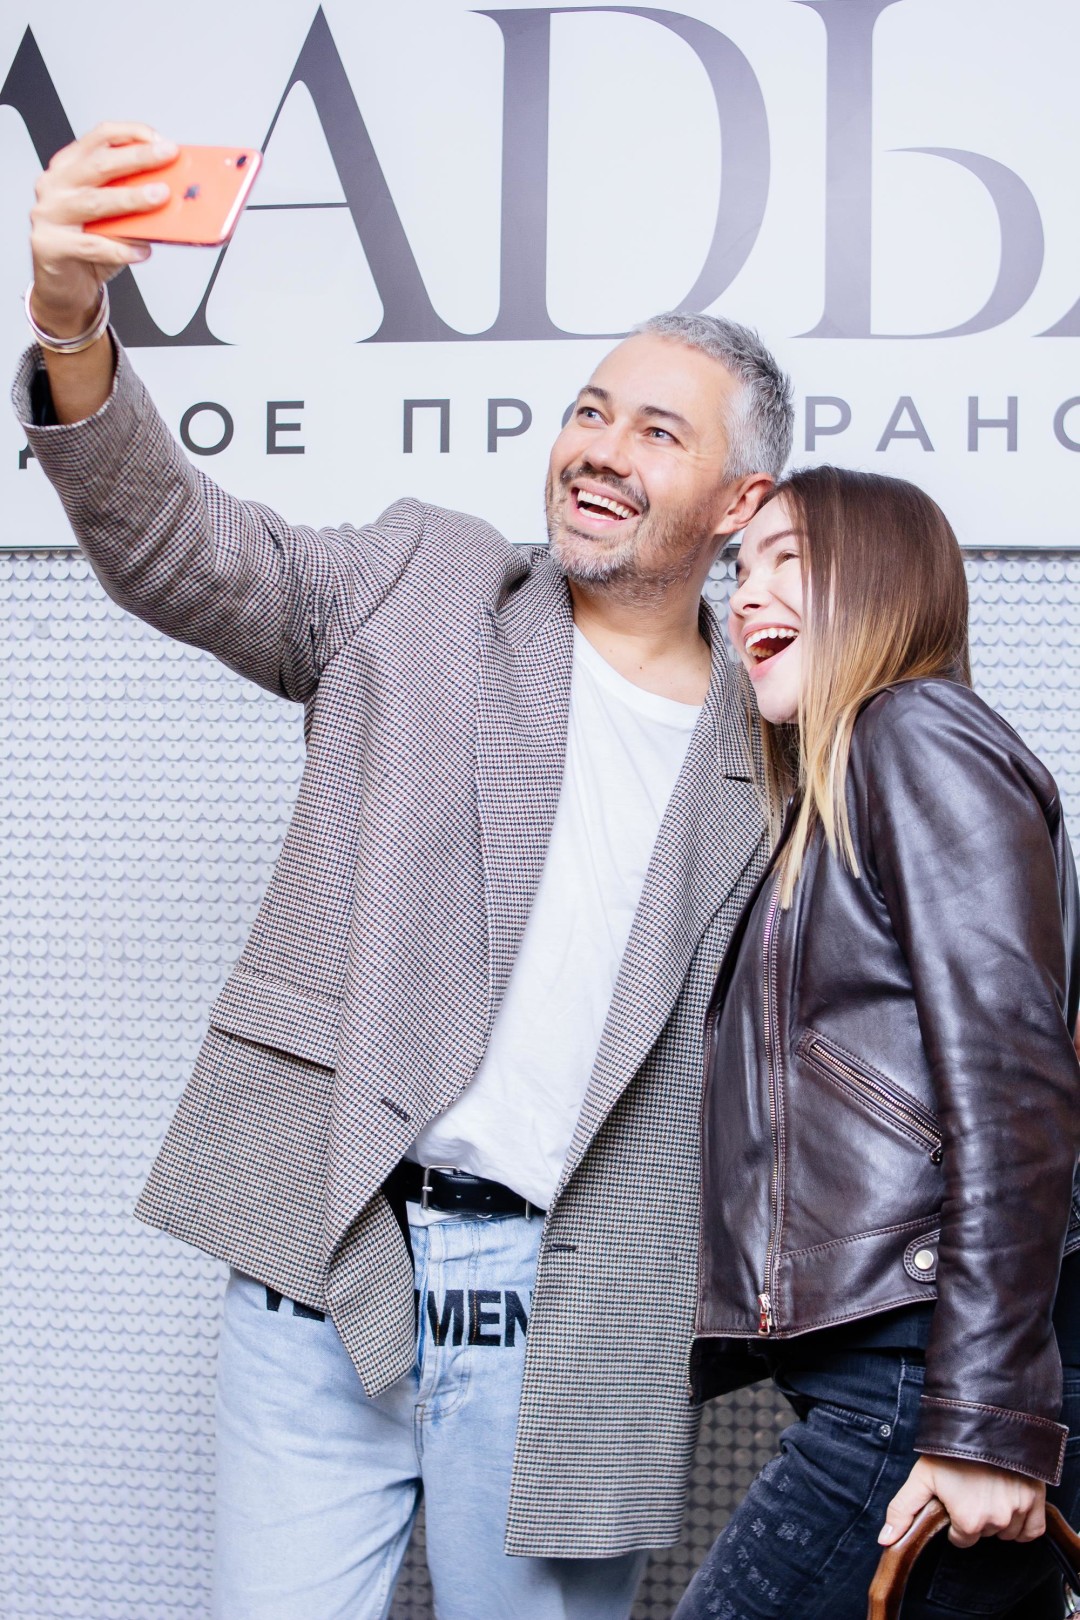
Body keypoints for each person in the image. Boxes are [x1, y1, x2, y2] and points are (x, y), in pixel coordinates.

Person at [15, 123, 795, 1619]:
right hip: (327, 1263)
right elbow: (177, 543)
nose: (600, 448)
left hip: (573, 1315)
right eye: (589, 411)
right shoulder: (425, 584)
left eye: (657, 432)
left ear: (741, 503)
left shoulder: (778, 754)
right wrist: (69, 323)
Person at [676, 466, 1080, 1620]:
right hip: (906, 1372)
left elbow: (1014, 1085)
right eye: (740, 568)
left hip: (919, 1379)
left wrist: (986, 1419)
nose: (748, 595)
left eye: (790, 561)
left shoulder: (916, 733)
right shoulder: (838, 789)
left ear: (883, 582)